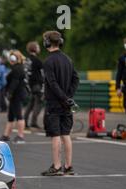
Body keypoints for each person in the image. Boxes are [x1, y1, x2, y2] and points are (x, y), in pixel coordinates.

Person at [41, 30, 79, 176]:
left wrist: (63, 97)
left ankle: (57, 166)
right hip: (66, 104)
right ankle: (69, 166)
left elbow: (52, 83)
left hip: (54, 103)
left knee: (56, 135)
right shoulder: (68, 59)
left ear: (47, 43)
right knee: (66, 134)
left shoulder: (48, 61)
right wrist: (69, 96)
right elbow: (76, 79)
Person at [0, 50, 28, 143]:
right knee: (11, 116)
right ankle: (6, 135)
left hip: (17, 95)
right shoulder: (16, 67)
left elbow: (15, 82)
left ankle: (21, 136)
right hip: (14, 95)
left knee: (19, 115)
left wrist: (9, 93)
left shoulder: (17, 68)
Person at [24, 41, 44, 129]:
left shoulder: (26, 59)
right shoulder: (37, 60)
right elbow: (44, 69)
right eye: (38, 47)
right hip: (37, 85)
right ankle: (33, 121)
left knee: (31, 103)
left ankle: (24, 120)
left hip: (29, 85)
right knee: (38, 103)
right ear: (35, 49)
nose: (39, 48)